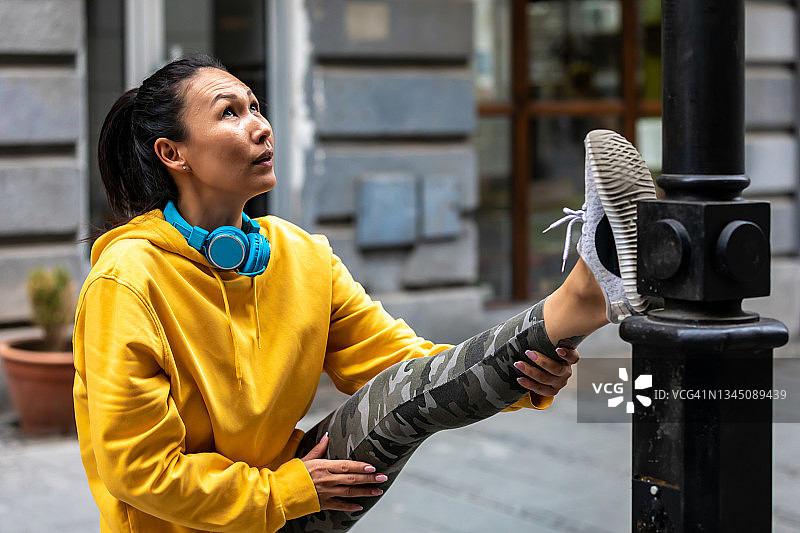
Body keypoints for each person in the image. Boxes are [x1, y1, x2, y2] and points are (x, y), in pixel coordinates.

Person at [73, 55, 656, 533]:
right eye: (229, 113)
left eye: (256, 107)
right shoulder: (127, 280)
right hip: (213, 517)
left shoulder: (300, 255)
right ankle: (582, 298)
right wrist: (286, 488)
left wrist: (520, 375)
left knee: (400, 397)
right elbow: (139, 472)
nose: (260, 125)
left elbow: (408, 368)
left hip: (287, 503)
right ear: (173, 153)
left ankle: (579, 303)